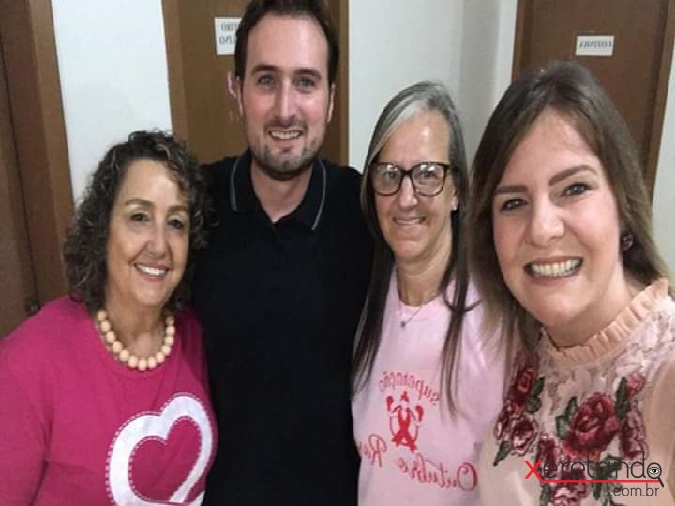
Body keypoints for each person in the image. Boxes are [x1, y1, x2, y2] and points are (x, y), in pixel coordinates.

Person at [470, 60, 675, 505]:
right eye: (513, 203)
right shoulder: (527, 347)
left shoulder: (666, 377)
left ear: (622, 202)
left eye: (574, 188)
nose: (542, 229)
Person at [192, 0, 373, 504]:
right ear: (237, 90)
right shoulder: (192, 206)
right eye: (266, 80)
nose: (286, 109)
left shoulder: (369, 214)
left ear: (331, 99)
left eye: (306, 82)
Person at [0, 130, 216, 505]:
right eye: (139, 217)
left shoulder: (195, 332)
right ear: (103, 229)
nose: (159, 245)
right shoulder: (28, 362)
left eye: (176, 223)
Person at [351, 80, 507, 505]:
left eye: (427, 175)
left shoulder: (496, 323)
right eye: (389, 174)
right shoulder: (365, 299)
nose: (406, 198)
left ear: (457, 189)